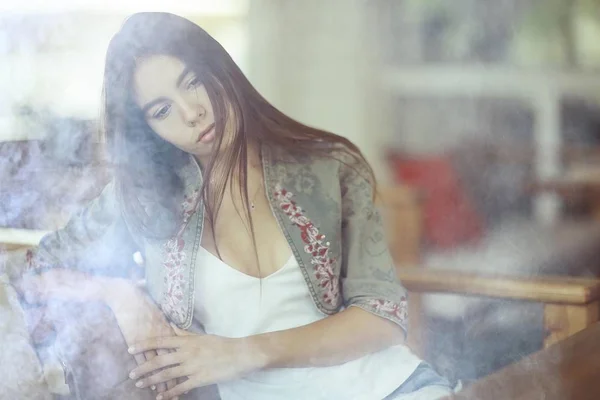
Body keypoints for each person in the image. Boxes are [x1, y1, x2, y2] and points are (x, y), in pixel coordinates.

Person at [2, 12, 452, 400]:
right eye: (162, 110)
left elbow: (382, 318)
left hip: (390, 388)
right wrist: (118, 293)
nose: (192, 112)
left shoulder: (330, 168)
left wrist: (242, 352)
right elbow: (34, 269)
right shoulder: (139, 198)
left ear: (221, 67)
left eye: (193, 82)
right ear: (147, 130)